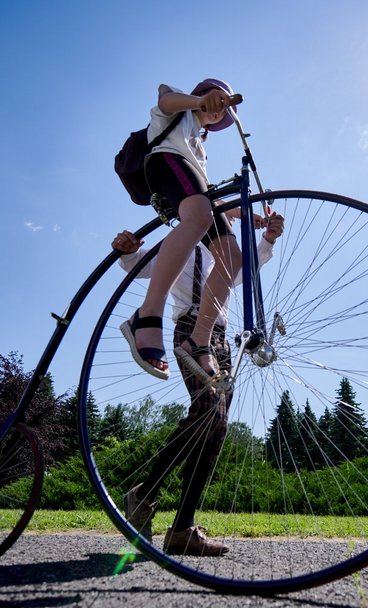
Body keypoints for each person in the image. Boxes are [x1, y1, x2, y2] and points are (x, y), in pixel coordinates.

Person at [111, 211, 285, 556]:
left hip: (222, 338)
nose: (224, 227)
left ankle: (181, 528)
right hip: (189, 330)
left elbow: (246, 270)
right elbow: (138, 265)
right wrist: (127, 250)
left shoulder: (225, 253)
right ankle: (143, 496)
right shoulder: (180, 244)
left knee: (216, 425)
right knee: (207, 408)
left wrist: (268, 240)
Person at [121, 78, 242, 384]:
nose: (219, 110)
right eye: (218, 101)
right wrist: (199, 101)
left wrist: (238, 211)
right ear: (203, 93)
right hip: (166, 163)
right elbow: (164, 97)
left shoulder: (200, 150)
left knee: (231, 256)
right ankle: (147, 315)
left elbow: (203, 191)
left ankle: (198, 340)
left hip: (193, 188)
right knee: (199, 215)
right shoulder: (178, 113)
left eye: (224, 109)